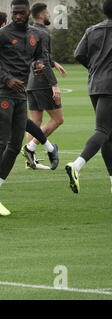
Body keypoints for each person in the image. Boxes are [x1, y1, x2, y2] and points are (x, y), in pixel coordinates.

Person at [0, 0, 54, 215]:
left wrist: (38, 66)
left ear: (28, 12)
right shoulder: (1, 34)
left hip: (21, 93)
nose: (18, 16)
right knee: (1, 140)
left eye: (21, 13)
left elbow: (39, 56)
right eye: (15, 13)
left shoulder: (36, 35)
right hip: (1, 92)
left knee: (15, 143)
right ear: (11, 13)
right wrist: (7, 78)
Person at [66, 0, 112, 194]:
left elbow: (79, 54)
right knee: (103, 130)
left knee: (108, 135)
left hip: (95, 85)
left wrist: (95, 69)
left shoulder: (92, 30)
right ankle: (76, 165)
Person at [22, 2, 66, 170]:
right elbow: (43, 61)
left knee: (35, 121)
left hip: (30, 82)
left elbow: (36, 57)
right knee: (58, 119)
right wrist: (54, 84)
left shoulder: (28, 32)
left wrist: (54, 62)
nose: (49, 15)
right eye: (47, 12)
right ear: (41, 14)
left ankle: (30, 161)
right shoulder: (43, 33)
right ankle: (30, 148)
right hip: (42, 83)